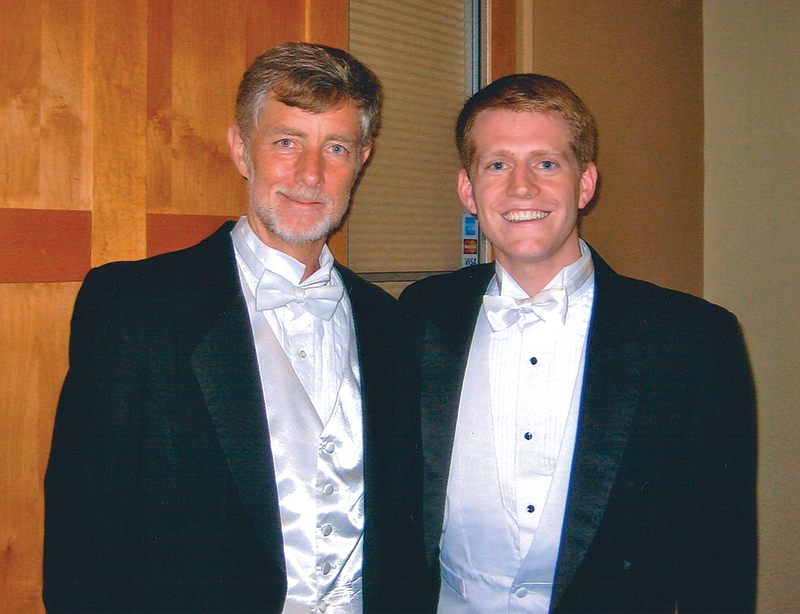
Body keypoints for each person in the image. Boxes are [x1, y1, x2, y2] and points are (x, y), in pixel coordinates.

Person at [44, 42, 417, 614]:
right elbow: (83, 549)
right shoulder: (134, 309)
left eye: (335, 147)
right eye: (286, 141)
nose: (310, 173)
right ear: (242, 150)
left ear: (362, 160)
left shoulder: (392, 323)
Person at [400, 74, 757, 613]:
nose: (522, 187)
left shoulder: (693, 339)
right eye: (497, 164)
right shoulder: (418, 315)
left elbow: (721, 555)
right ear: (468, 190)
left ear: (585, 184)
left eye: (546, 163)